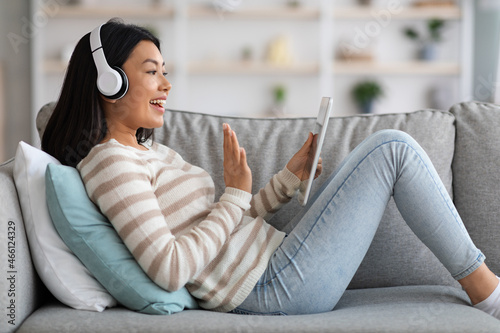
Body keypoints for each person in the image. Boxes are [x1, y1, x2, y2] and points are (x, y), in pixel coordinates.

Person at [42, 19, 500, 318]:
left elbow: (220, 236)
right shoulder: (110, 164)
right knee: (392, 150)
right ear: (109, 81)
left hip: (276, 266)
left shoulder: (148, 152)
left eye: (165, 70)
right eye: (151, 72)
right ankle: (487, 291)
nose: (166, 84)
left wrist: (285, 182)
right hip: (272, 286)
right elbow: (171, 268)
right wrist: (234, 194)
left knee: (388, 152)